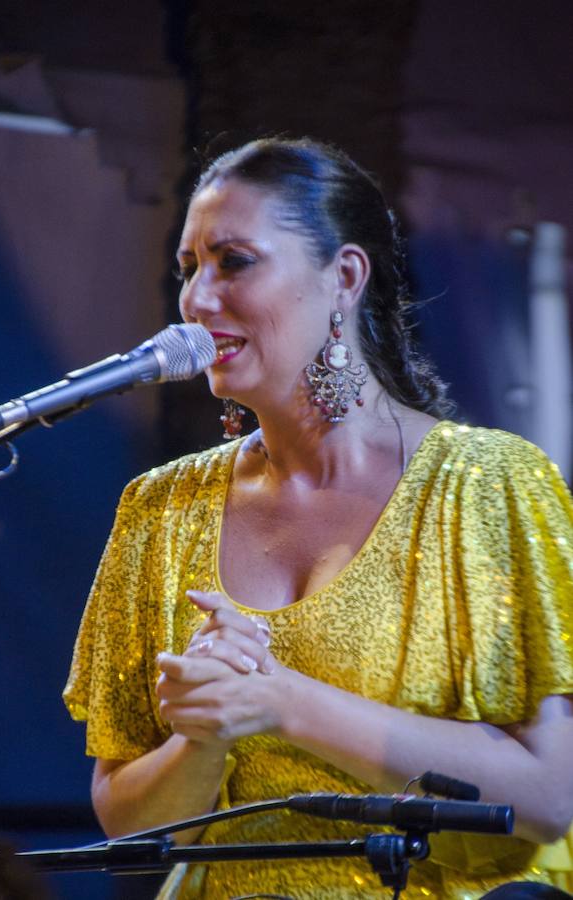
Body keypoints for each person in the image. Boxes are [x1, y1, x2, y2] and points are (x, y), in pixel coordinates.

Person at [63, 138, 573, 900]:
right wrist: (204, 737)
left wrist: (281, 700)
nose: (198, 300)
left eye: (233, 261)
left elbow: (549, 800)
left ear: (344, 276)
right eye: (188, 269)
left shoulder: (486, 484)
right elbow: (130, 827)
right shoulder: (158, 509)